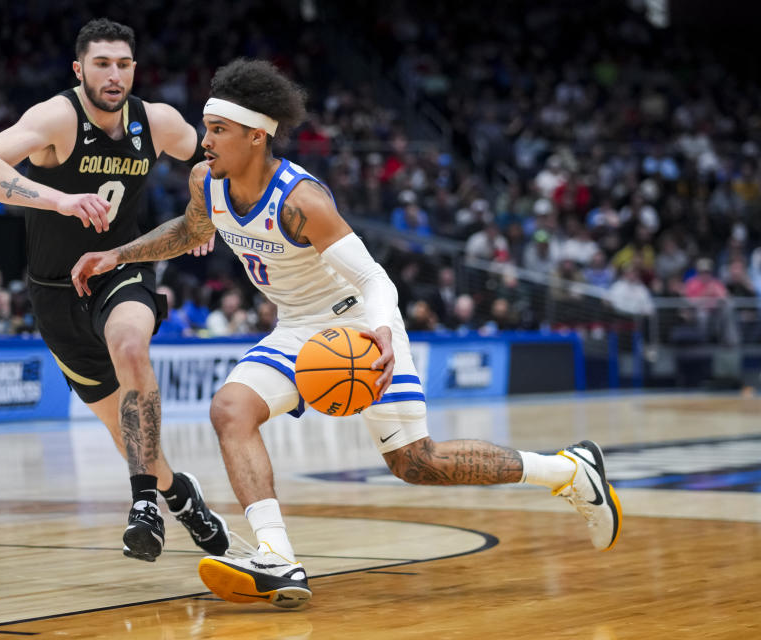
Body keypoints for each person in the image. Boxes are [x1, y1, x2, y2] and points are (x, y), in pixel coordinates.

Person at [71, 59, 622, 609]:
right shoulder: (206, 182)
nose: (204, 140)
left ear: (256, 137)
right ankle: (278, 558)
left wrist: (381, 331)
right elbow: (191, 230)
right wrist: (118, 255)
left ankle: (568, 470)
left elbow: (373, 278)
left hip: (359, 325)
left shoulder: (301, 202)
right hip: (296, 328)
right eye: (206, 127)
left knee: (417, 464)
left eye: (218, 131)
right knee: (230, 410)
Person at [0, 18, 228, 562]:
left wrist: (205, 214)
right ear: (80, 69)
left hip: (117, 266)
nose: (114, 75)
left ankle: (144, 507)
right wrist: (59, 200)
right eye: (102, 64)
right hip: (54, 291)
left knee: (132, 345)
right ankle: (180, 495)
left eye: (123, 64)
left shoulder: (155, 122)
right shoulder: (57, 116)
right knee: (129, 433)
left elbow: (217, 159)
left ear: (135, 69)